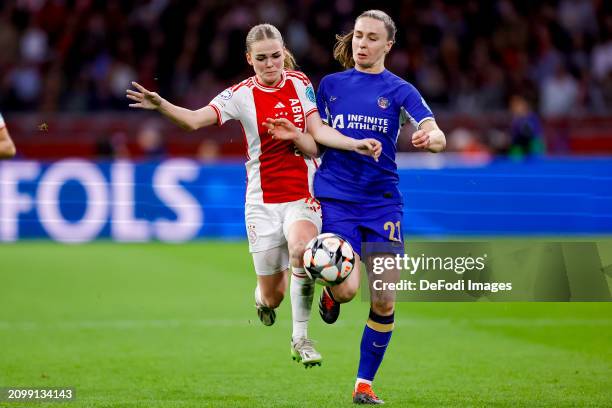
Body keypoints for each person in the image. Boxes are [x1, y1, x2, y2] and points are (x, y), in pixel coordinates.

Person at [126, 23, 381, 368]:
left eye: (276, 56)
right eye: (262, 58)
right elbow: (194, 120)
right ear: (250, 59)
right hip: (261, 204)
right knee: (272, 296)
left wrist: (351, 143)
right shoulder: (239, 96)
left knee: (301, 250)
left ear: (283, 54)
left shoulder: (300, 84)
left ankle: (301, 340)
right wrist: (161, 105)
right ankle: (262, 301)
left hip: (301, 197)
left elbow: (316, 135)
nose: (271, 64)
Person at [265, 10, 446, 404]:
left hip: (382, 204)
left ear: (388, 46)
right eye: (358, 36)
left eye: (370, 38)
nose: (361, 44)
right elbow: (318, 140)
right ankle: (331, 293)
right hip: (337, 200)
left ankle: (363, 384)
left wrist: (429, 138)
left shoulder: (401, 91)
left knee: (383, 299)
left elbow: (435, 132)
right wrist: (298, 136)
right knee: (347, 292)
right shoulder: (330, 85)